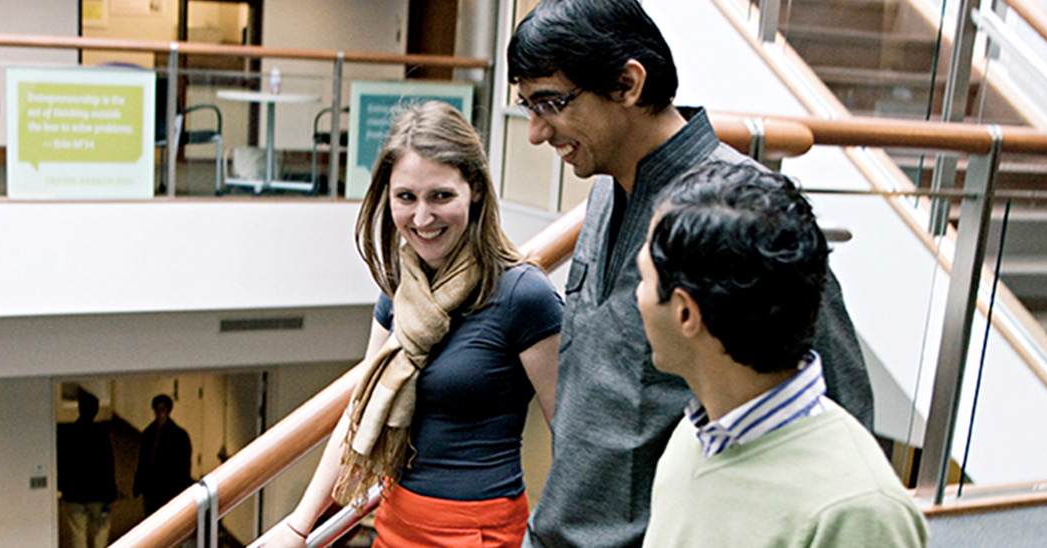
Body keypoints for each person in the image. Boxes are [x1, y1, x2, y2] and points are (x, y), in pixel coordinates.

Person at [506, 1, 875, 547]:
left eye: (551, 104)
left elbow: (841, 406)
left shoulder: (740, 214)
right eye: (527, 106)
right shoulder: (607, 185)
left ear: (628, 83)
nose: (536, 132)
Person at [255, 101, 562, 548]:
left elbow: (573, 440)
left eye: (441, 196)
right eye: (406, 198)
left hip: (480, 533)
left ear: (474, 189)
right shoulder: (401, 288)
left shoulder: (523, 294)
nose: (422, 219)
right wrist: (301, 525)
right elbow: (361, 411)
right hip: (395, 521)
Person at [634, 167, 926, 547]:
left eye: (643, 278)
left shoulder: (857, 510)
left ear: (685, 312)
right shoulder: (694, 435)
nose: (636, 296)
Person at [58, 386, 117, 548]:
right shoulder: (101, 435)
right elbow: (108, 465)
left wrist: (62, 488)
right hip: (98, 493)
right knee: (101, 530)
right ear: (96, 410)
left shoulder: (68, 434)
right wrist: (111, 494)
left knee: (77, 533)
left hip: (74, 493)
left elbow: (62, 463)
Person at [134, 394, 193, 514]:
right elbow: (143, 460)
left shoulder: (179, 436)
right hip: (151, 486)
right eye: (156, 410)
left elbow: (183, 464)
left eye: (162, 409)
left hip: (168, 487)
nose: (159, 413)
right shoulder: (148, 433)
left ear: (168, 410)